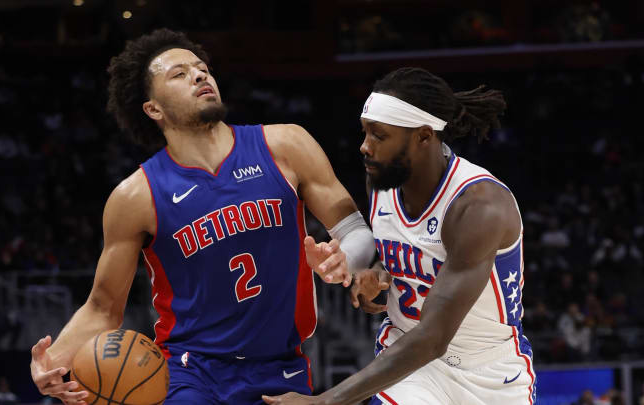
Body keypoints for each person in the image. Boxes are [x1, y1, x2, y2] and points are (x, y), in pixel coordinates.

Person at [29, 28, 375, 405]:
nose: (198, 75)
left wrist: (345, 259)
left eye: (201, 68)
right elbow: (103, 307)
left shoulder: (285, 145)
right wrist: (51, 362)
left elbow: (355, 230)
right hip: (190, 371)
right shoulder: (136, 196)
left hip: (280, 365)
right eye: (178, 74)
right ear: (153, 109)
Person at [263, 68, 536, 404]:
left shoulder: (479, 207)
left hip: (489, 371)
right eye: (365, 133)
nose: (364, 147)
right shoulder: (380, 181)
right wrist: (374, 276)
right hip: (410, 364)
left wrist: (324, 401)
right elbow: (402, 255)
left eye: (379, 136)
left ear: (424, 136)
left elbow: (435, 338)